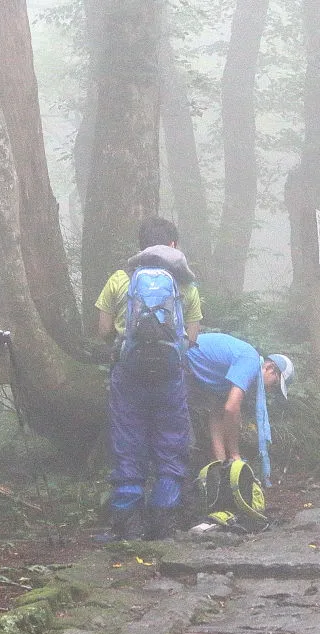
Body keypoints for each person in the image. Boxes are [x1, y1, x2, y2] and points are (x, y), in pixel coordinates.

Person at [94, 216, 203, 540]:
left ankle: (128, 523)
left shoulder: (120, 277)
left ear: (141, 246)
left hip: (129, 376)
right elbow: (192, 338)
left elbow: (102, 330)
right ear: (173, 245)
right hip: (169, 377)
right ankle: (163, 519)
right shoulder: (186, 284)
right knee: (171, 442)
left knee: (129, 443)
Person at [185, 332, 294, 485]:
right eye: (274, 386)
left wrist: (222, 462)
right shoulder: (250, 360)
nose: (269, 391)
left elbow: (217, 414)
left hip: (184, 367)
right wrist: (235, 455)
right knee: (183, 441)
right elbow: (231, 408)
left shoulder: (235, 375)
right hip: (179, 360)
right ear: (270, 368)